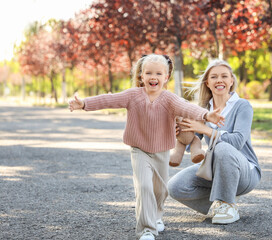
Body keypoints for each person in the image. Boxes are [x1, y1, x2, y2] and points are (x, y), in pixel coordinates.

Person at [68, 54, 225, 240]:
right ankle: (147, 229)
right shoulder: (132, 95)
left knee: (160, 190)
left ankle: (157, 216)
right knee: (144, 186)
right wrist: (84, 103)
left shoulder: (169, 99)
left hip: (161, 151)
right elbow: (109, 99)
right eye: (148, 72)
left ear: (165, 77)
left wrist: (207, 115)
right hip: (139, 149)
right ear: (141, 76)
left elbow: (188, 109)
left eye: (158, 73)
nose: (153, 77)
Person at [168, 59, 261, 225]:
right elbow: (191, 140)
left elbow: (238, 141)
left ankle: (228, 204)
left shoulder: (242, 106)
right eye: (214, 76)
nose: (220, 80)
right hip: (216, 169)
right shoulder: (203, 109)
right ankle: (220, 201)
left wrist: (207, 130)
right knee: (175, 187)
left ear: (231, 81)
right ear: (208, 83)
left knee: (223, 147)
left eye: (224, 76)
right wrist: (180, 133)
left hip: (246, 171)